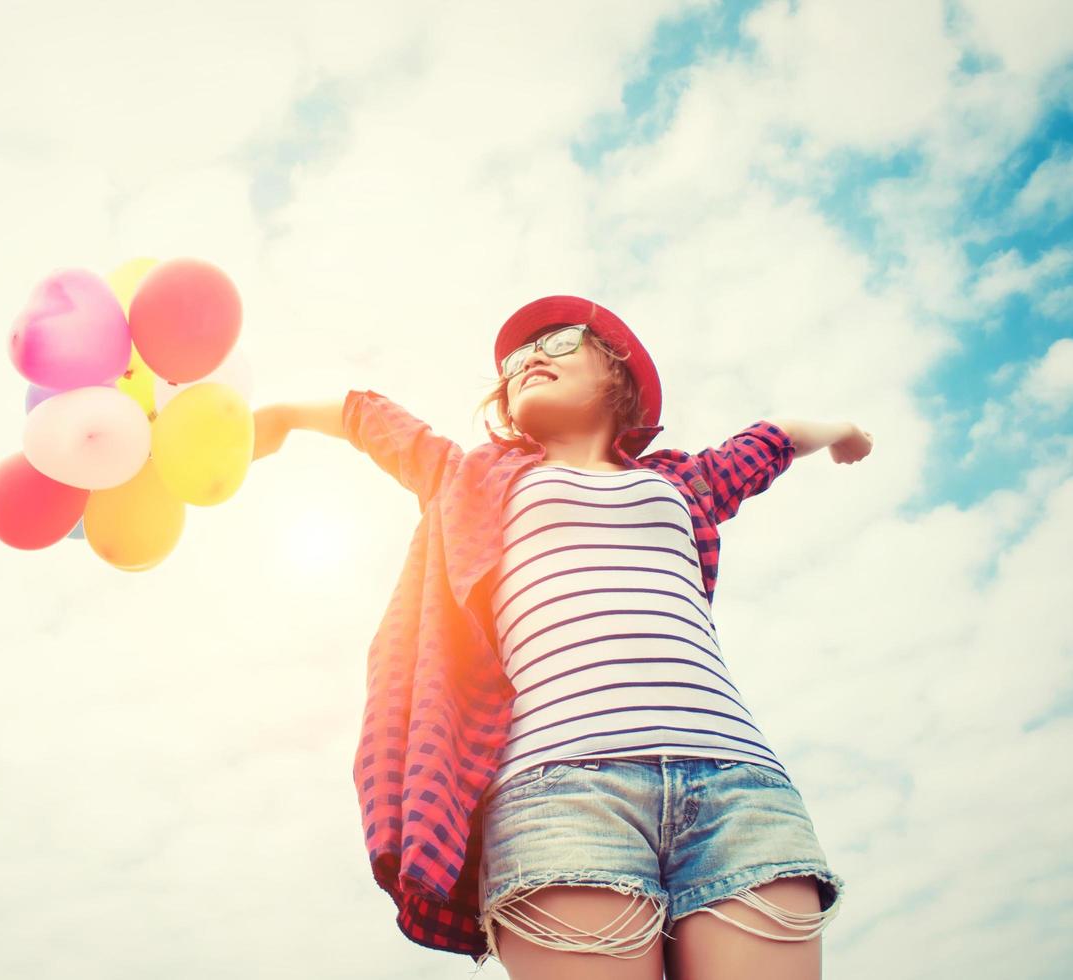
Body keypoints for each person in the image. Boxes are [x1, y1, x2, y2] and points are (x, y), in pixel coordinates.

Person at [252, 295, 871, 979]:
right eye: (514, 361)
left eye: (557, 342)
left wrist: (841, 429)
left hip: (739, 789)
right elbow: (366, 415)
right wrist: (279, 419)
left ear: (618, 371)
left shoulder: (679, 482)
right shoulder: (469, 477)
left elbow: (769, 440)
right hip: (563, 795)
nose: (528, 363)